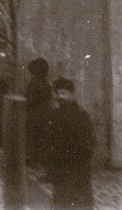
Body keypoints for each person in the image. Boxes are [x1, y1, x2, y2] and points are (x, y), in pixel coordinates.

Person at [45, 78, 95, 209]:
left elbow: (89, 143)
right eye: (58, 93)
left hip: (77, 168)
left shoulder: (81, 115)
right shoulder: (54, 115)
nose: (61, 97)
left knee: (78, 201)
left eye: (64, 93)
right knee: (61, 200)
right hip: (60, 168)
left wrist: (80, 160)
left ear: (72, 94)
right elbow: (49, 141)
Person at [25, 58, 53, 170]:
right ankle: (35, 160)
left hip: (35, 115)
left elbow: (30, 99)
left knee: (34, 137)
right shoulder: (45, 84)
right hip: (42, 114)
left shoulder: (37, 84)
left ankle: (34, 160)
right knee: (37, 138)